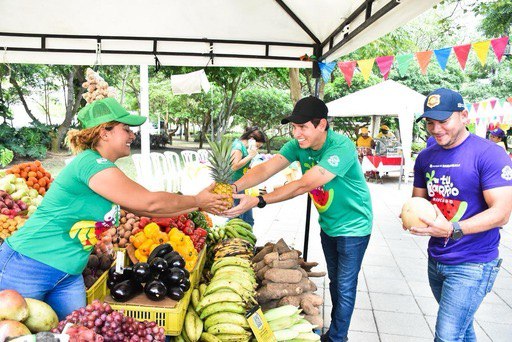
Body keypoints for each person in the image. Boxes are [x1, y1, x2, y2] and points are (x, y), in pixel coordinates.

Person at [0, 97, 228, 320]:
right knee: (15, 333)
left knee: (75, 333)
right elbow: (150, 202)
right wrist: (197, 200)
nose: (132, 134)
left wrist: (199, 205)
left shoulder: (102, 168)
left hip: (69, 273)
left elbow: (148, 210)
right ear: (104, 132)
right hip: (29, 264)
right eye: (126, 129)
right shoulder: (89, 164)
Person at [224, 96, 373, 342]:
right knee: (336, 282)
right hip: (329, 225)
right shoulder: (298, 145)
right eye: (294, 127)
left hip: (354, 228)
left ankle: (337, 337)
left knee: (343, 286)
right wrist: (234, 186)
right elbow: (265, 168)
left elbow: (304, 184)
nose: (296, 133)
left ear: (322, 125)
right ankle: (336, 332)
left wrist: (259, 200)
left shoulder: (341, 147)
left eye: (303, 127)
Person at [406, 88, 512, 341]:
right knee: (462, 330)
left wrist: (453, 229)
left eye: (443, 121)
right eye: (430, 122)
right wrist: (410, 216)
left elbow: (502, 213)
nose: (436, 129)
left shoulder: (490, 154)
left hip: (473, 263)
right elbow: (417, 201)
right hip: (437, 257)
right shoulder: (425, 157)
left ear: (464, 116)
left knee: (447, 336)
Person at [230, 126, 266, 225]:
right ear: (252, 140)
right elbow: (234, 166)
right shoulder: (238, 147)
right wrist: (250, 155)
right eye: (257, 146)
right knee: (244, 217)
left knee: (239, 215)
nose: (257, 149)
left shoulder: (245, 147)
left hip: (240, 182)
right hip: (233, 182)